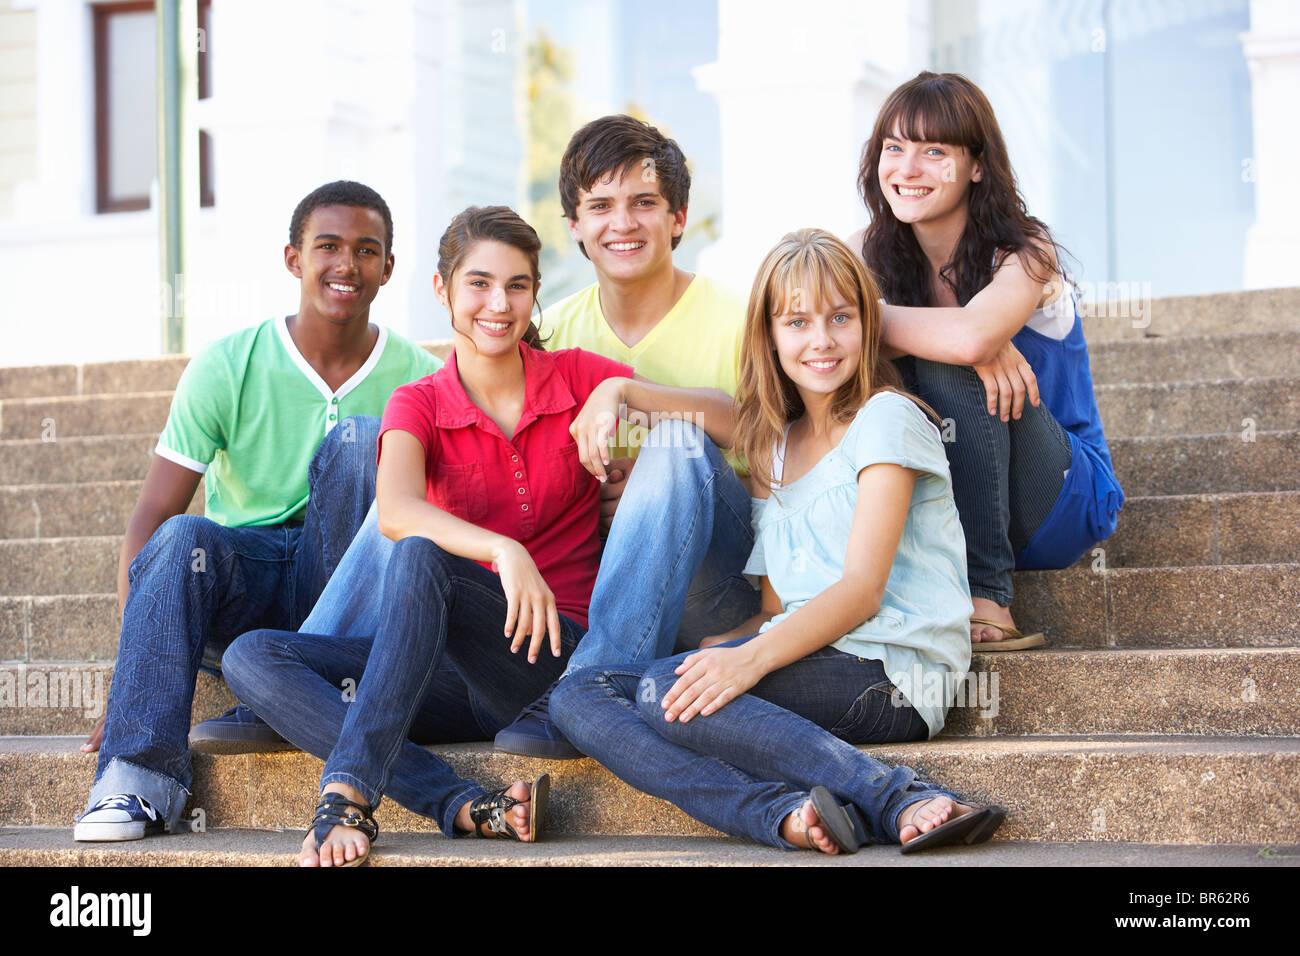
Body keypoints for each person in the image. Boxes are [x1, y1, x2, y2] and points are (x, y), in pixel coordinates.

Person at [220, 206, 739, 866]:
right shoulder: (420, 402)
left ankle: (347, 794)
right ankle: (460, 802)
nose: (498, 304)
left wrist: (622, 392)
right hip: (443, 672)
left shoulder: (577, 375)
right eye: (479, 284)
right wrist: (502, 548)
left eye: (518, 286)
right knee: (251, 658)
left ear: (534, 295)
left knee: (421, 559)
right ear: (442, 290)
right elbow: (396, 509)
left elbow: (732, 423)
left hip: (552, 661)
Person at [550, 228, 1006, 854]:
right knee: (580, 694)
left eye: (840, 318)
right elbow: (770, 605)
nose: (821, 340)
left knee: (664, 696)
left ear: (867, 326)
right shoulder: (776, 448)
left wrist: (749, 658)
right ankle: (781, 813)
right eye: (797, 322)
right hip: (802, 654)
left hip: (892, 671)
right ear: (768, 335)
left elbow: (860, 591)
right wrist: (617, 392)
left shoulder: (887, 419)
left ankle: (895, 793)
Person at [74, 181, 443, 842]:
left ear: (388, 268)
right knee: (182, 533)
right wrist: (134, 670)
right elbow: (148, 520)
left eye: (366, 251)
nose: (346, 265)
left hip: (352, 595)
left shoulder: (418, 376)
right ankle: (135, 780)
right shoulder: (228, 363)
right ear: (293, 258)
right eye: (327, 246)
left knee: (363, 443)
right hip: (244, 581)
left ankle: (287, 685)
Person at [493, 114, 760, 758]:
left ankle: (593, 686)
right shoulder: (548, 334)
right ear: (575, 228)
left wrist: (662, 486)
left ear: (679, 217)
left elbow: (788, 463)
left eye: (644, 202)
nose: (623, 223)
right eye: (600, 206)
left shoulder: (743, 319)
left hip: (716, 584)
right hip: (593, 579)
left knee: (675, 448)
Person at [855, 71, 1123, 650]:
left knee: (961, 359)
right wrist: (941, 334)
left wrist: (867, 323)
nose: (907, 168)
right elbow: (803, 341)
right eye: (894, 148)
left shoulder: (1025, 250)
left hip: (1058, 498)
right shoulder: (865, 253)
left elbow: (972, 339)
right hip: (948, 494)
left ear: (976, 165)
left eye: (934, 151)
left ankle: (988, 597)